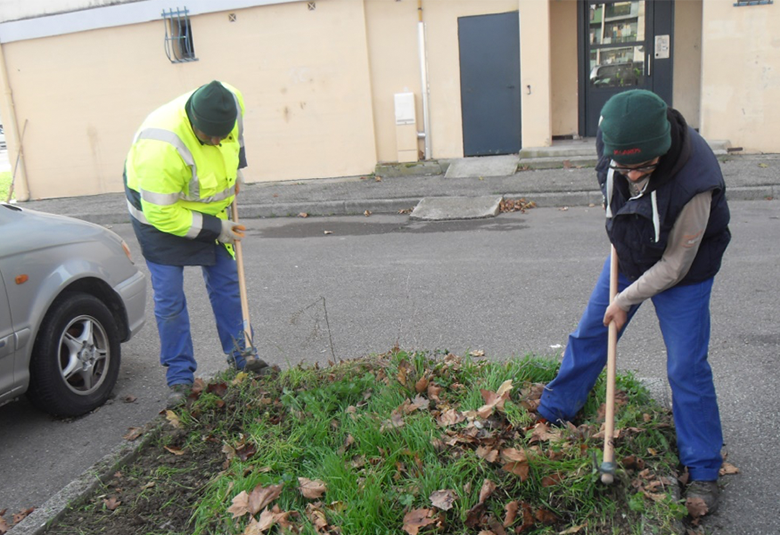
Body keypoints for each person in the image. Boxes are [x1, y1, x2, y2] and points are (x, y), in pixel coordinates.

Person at [536, 90, 730, 514]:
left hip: (685, 272)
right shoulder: (611, 146)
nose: (634, 175)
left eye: (643, 166)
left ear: (660, 149)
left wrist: (624, 298)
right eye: (626, 167)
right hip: (631, 251)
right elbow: (614, 198)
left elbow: (676, 266)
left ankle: (702, 468)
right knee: (592, 332)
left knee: (686, 366)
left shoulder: (697, 179)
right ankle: (554, 409)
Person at [123, 80, 269, 409]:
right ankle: (180, 377)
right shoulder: (161, 148)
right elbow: (162, 215)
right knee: (170, 298)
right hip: (157, 218)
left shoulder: (231, 101)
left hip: (207, 208)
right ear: (193, 123)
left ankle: (243, 357)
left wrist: (238, 170)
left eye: (223, 135)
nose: (218, 141)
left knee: (228, 282)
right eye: (210, 137)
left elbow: (237, 138)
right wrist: (217, 228)